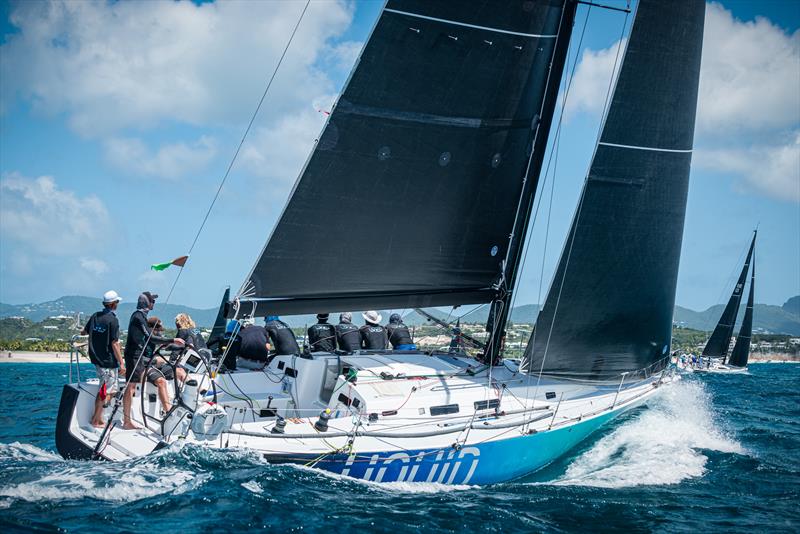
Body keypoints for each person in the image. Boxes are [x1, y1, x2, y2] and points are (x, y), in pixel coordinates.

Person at [122, 292, 184, 429]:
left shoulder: (142, 316)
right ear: (146, 303)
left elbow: (153, 340)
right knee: (130, 386)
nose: (154, 304)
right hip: (134, 356)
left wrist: (178, 345)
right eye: (152, 301)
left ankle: (171, 410)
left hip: (138, 357)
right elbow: (150, 338)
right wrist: (172, 339)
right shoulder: (138, 317)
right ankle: (127, 422)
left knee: (132, 386)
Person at [81, 290, 125, 428]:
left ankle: (98, 417)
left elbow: (84, 331)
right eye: (117, 302)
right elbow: (115, 343)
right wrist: (122, 363)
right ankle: (96, 420)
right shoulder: (113, 320)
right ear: (113, 304)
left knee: (108, 390)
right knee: (105, 391)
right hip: (108, 361)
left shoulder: (95, 316)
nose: (117, 304)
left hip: (97, 359)